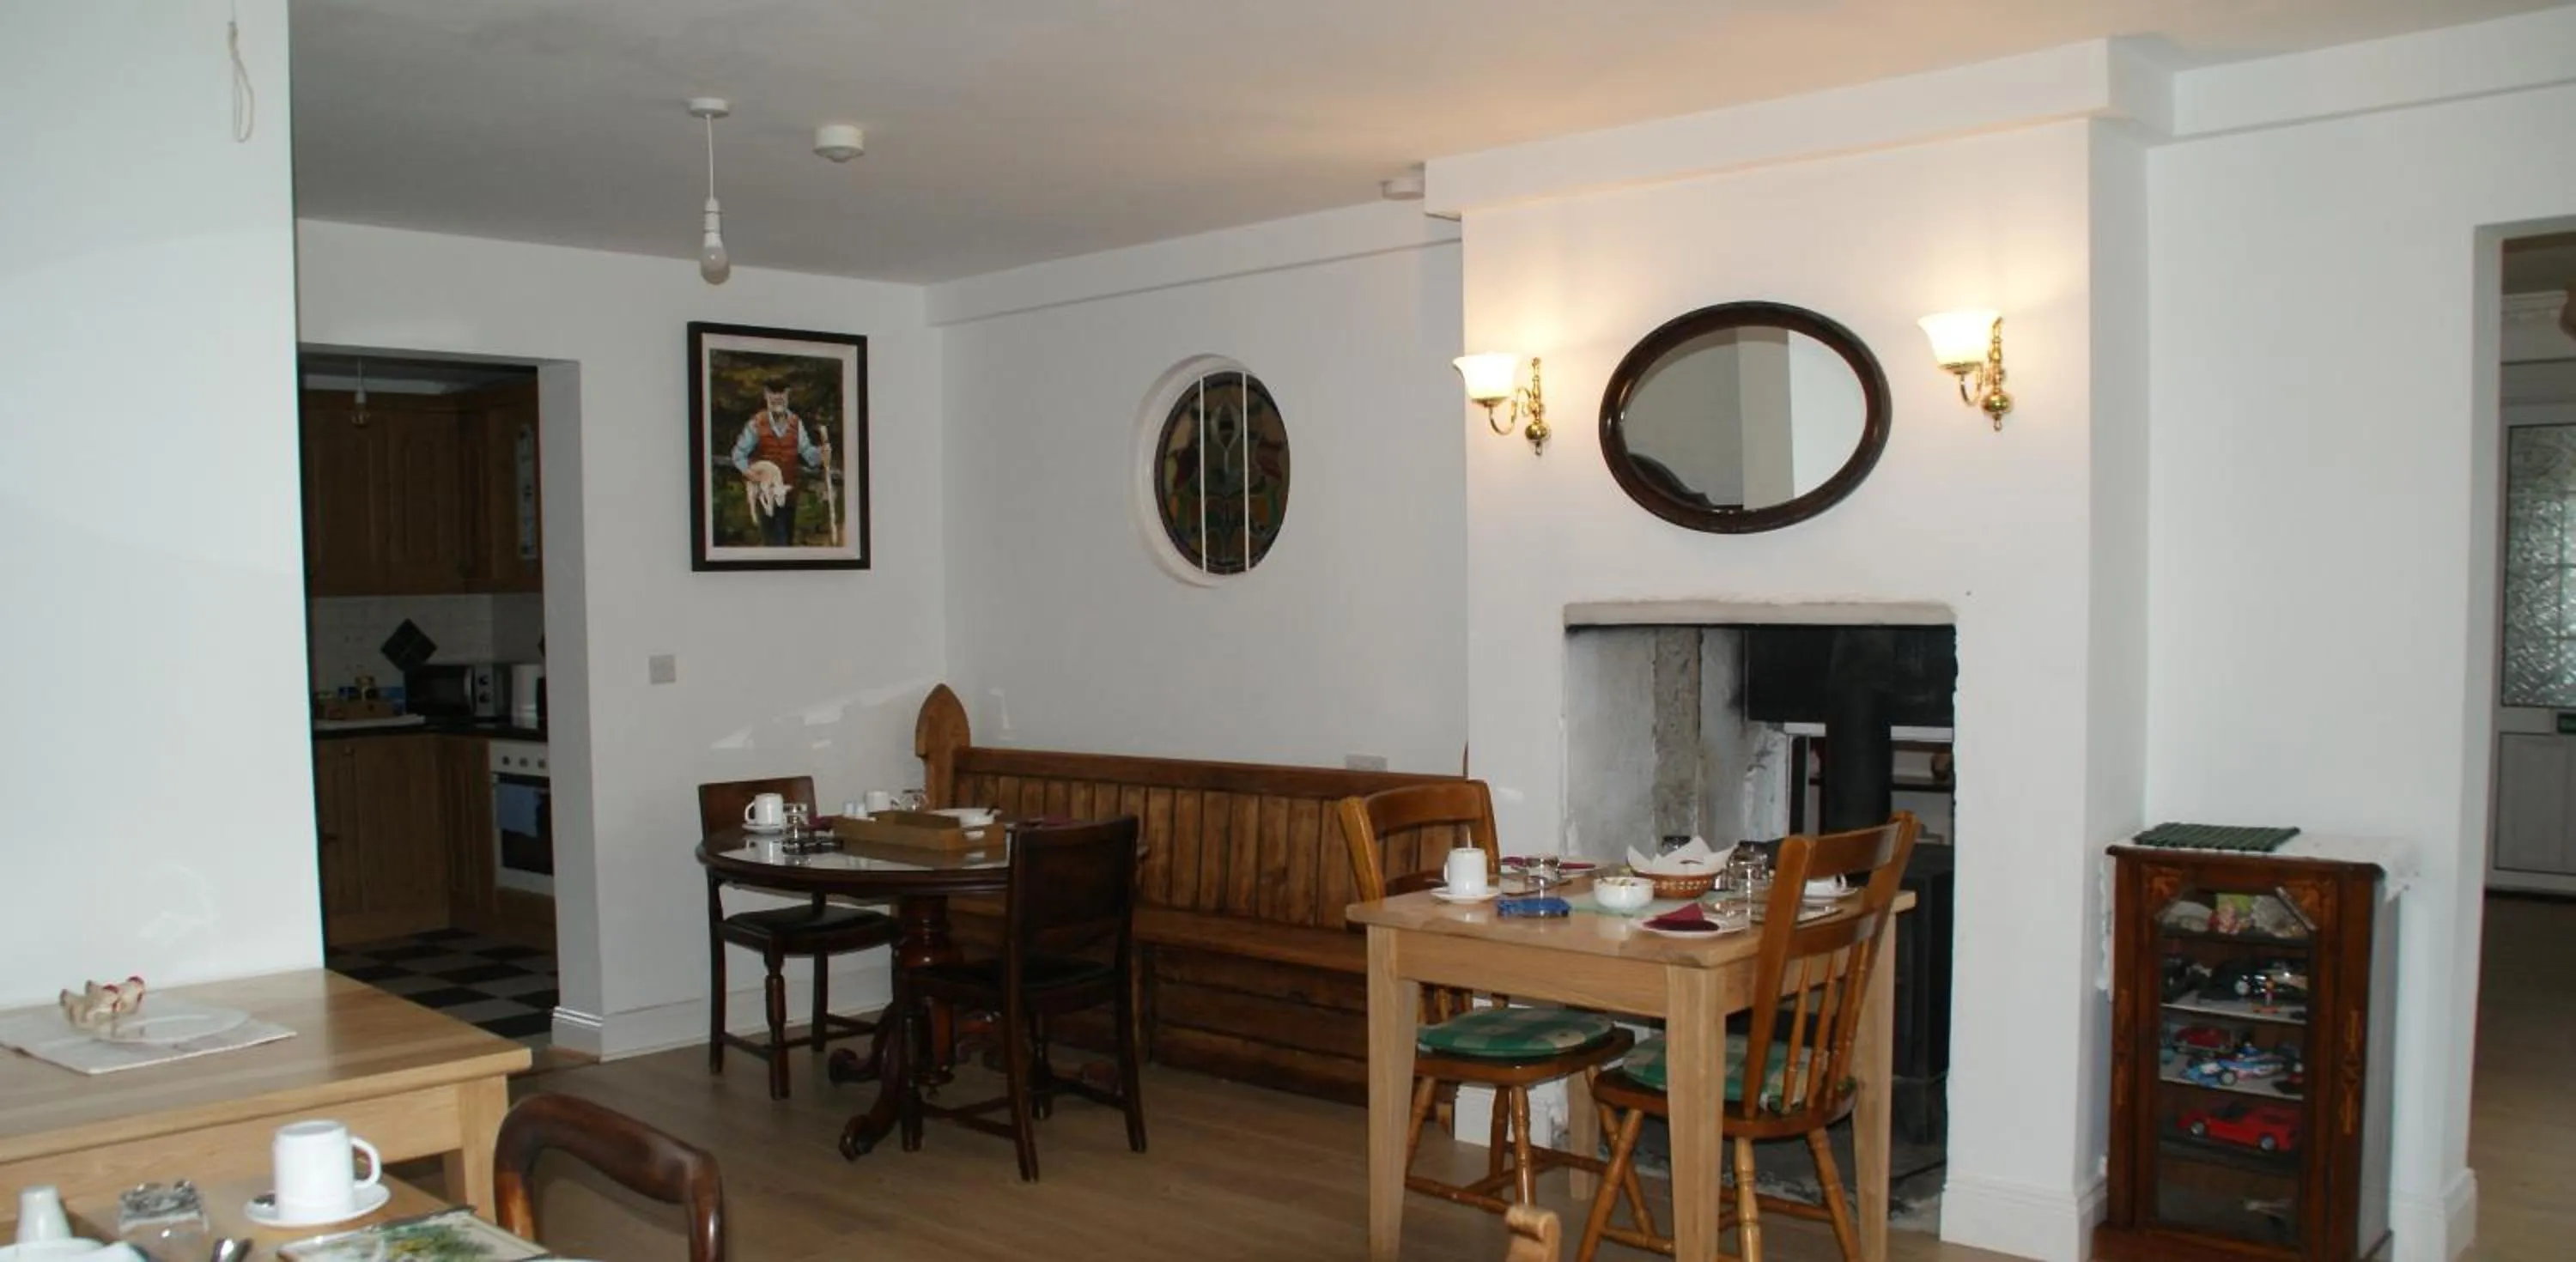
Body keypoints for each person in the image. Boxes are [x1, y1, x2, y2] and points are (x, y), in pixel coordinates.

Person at [729, 384, 833, 546]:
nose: (777, 400)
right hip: (767, 495)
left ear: (787, 396)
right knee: (776, 544)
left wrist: (822, 453)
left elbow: (808, 454)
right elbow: (738, 455)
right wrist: (750, 473)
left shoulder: (795, 423)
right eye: (773, 396)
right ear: (766, 396)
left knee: (787, 543)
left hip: (788, 495)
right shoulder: (757, 423)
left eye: (781, 396)